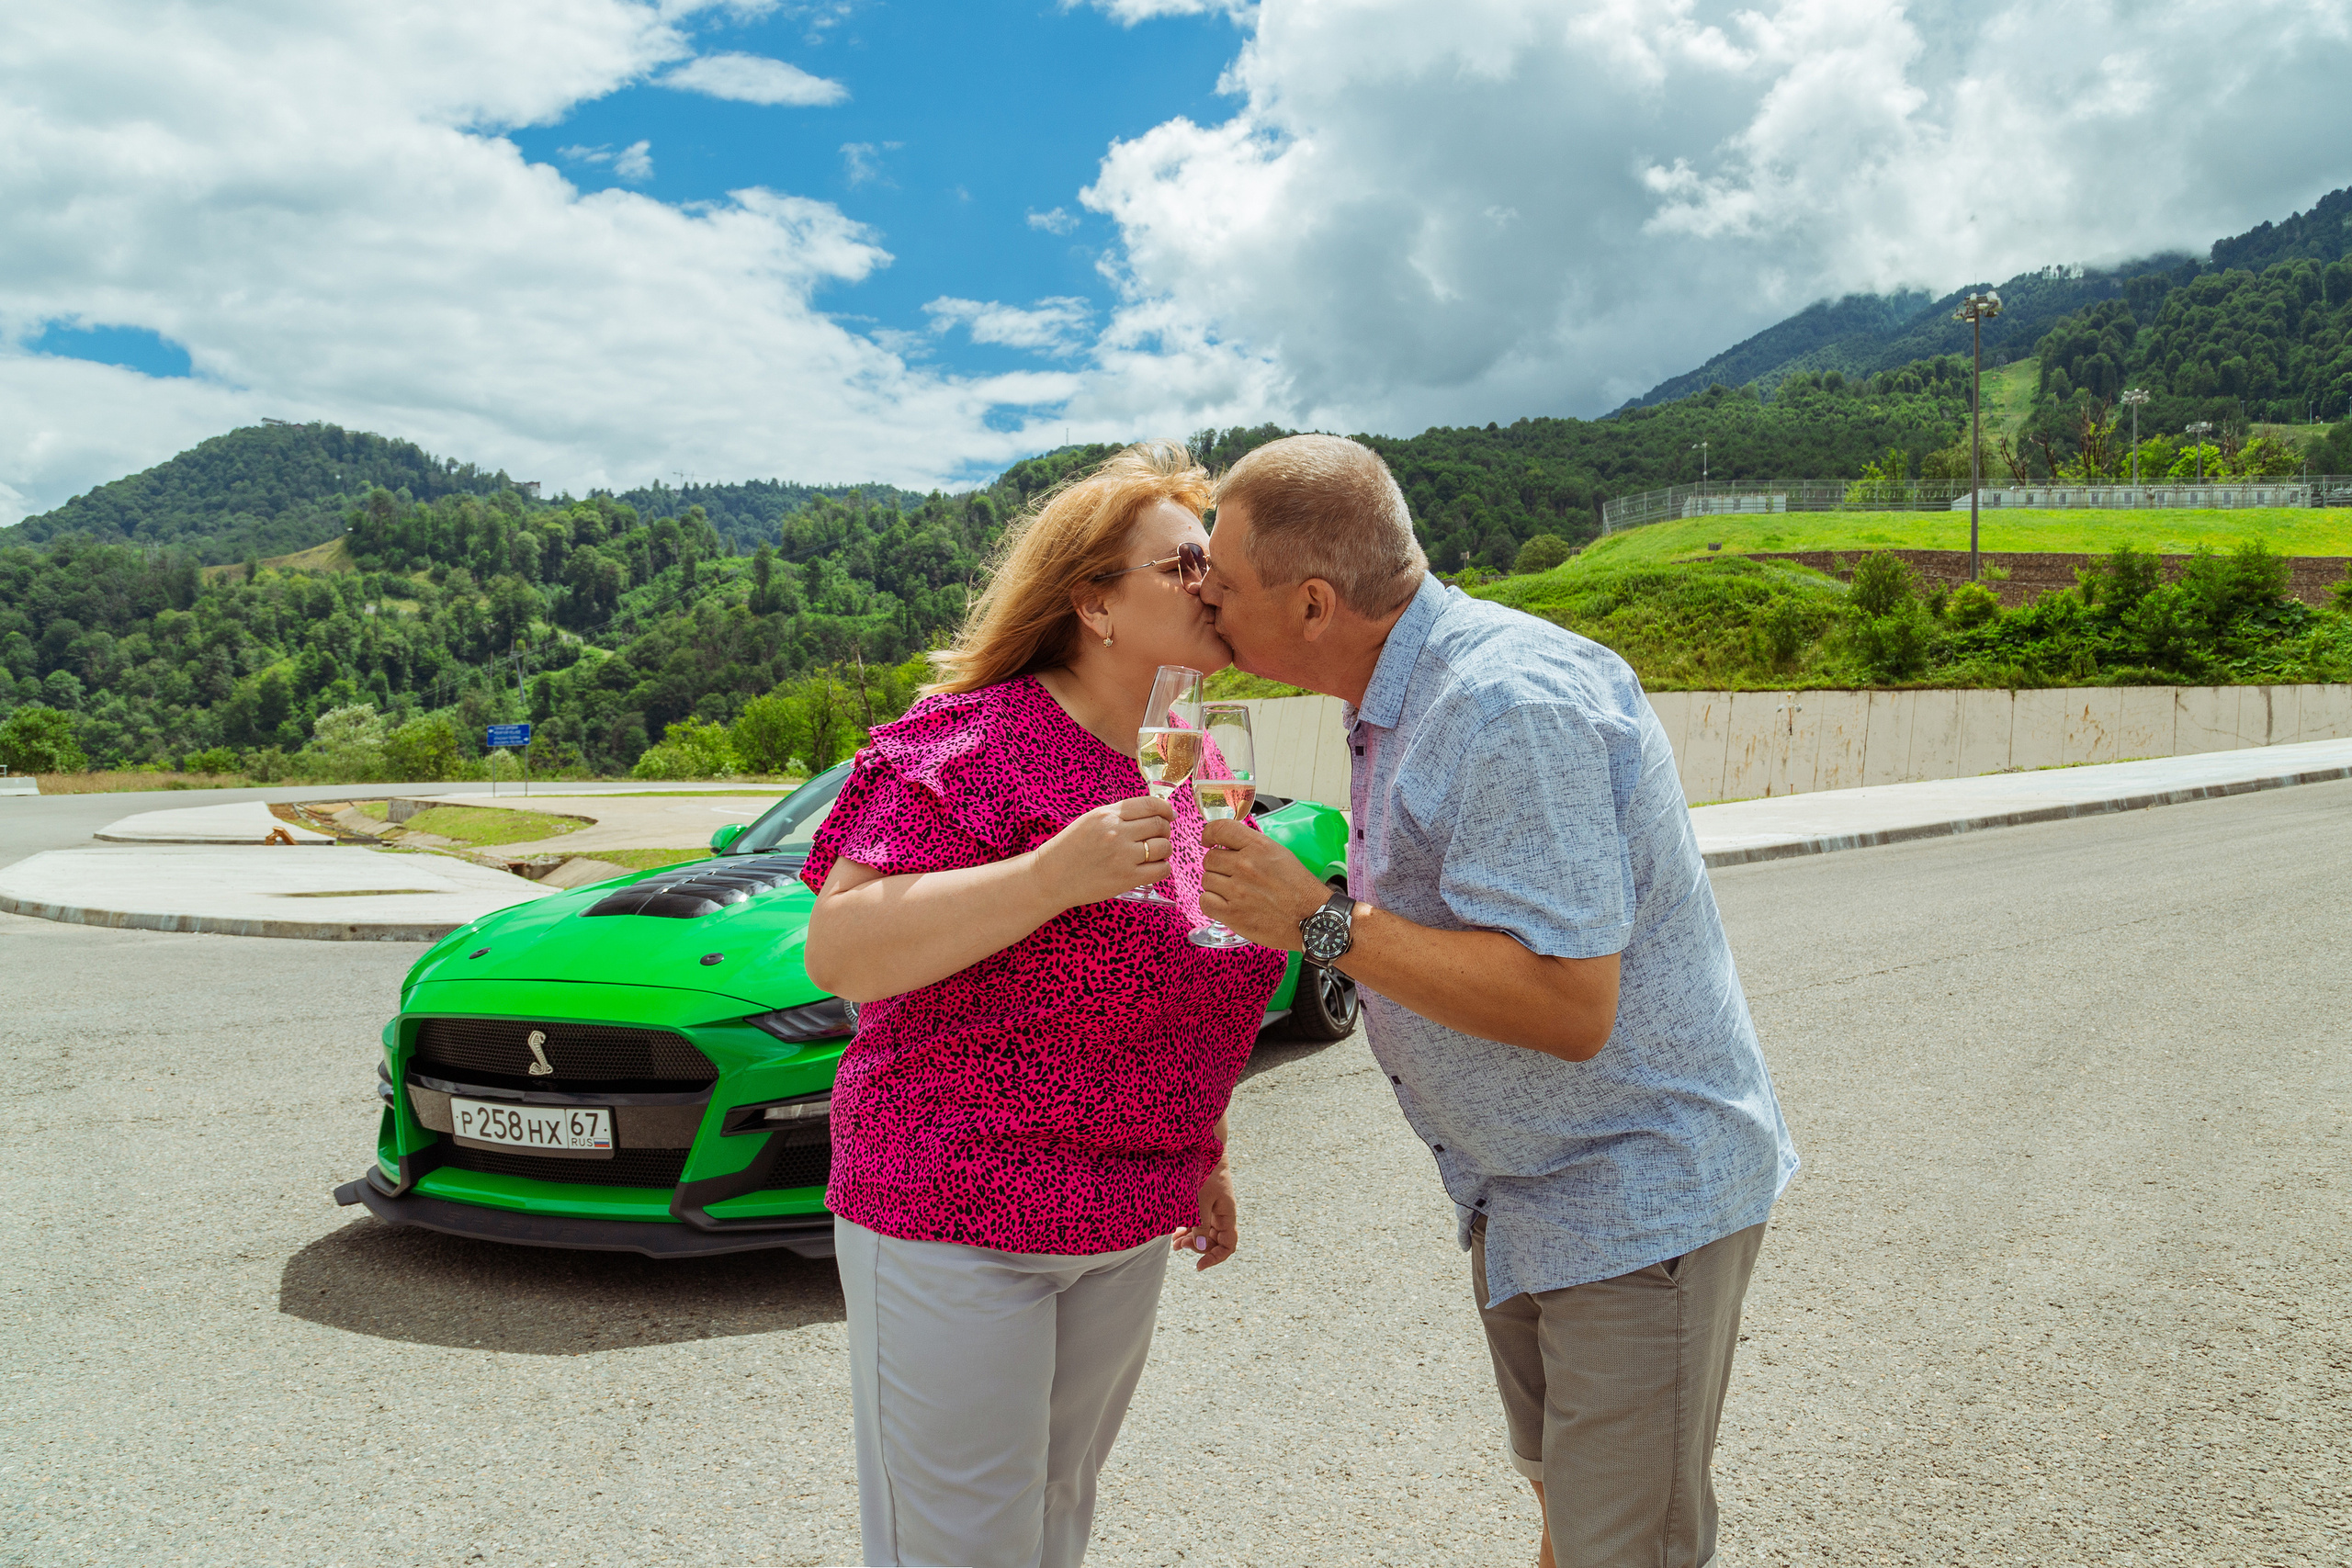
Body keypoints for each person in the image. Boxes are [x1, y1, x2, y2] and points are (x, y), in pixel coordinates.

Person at [1192, 434, 1798, 1568]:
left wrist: (1315, 922)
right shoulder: (1404, 693)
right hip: (1530, 1198)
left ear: (1313, 603)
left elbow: (1569, 1006)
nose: (1202, 599)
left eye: (1218, 581)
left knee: (1625, 1547)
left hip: (1628, 1194)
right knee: (1574, 1515)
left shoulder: (1501, 706)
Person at [799, 440, 1288, 1568]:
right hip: (955, 1208)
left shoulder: (1192, 767)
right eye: (1183, 565)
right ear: (1094, 605)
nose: (1211, 583)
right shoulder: (966, 744)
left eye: (1214, 562)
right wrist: (1046, 877)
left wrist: (1204, 1148)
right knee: (962, 1545)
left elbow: (1182, 978)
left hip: (1124, 1212)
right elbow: (840, 950)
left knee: (1058, 1515)